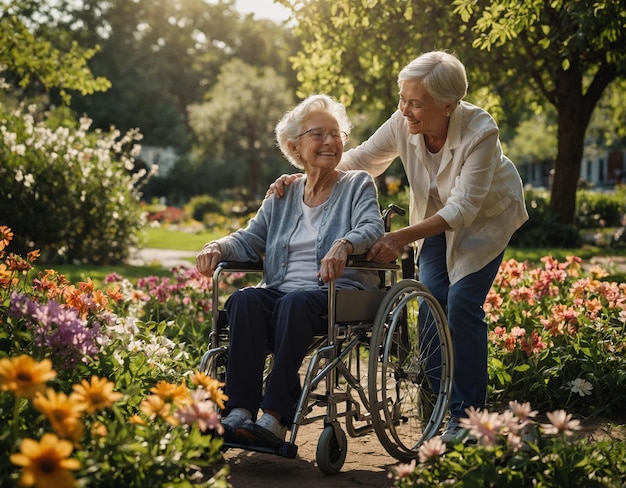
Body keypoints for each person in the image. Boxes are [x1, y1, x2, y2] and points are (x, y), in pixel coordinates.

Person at [270, 51, 529, 443]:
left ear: (448, 104)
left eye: (415, 103)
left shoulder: (480, 131)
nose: (405, 109)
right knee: (429, 302)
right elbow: (360, 160)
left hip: (483, 221)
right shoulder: (402, 121)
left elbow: (463, 208)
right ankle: (434, 409)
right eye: (402, 99)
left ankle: (467, 417)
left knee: (460, 304)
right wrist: (305, 173)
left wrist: (397, 237)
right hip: (435, 219)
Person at [196, 94, 384, 447]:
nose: (330, 142)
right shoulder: (282, 192)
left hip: (336, 293)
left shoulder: (357, 183)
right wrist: (217, 246)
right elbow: (251, 238)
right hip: (283, 291)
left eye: (336, 134)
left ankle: (275, 417)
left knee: (293, 304)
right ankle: (239, 411)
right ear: (295, 147)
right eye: (319, 134)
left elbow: (372, 227)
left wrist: (344, 244)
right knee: (244, 301)